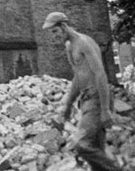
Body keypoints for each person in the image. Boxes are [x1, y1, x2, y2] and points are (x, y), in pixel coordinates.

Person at [43, 11, 122, 171]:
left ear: (64, 26)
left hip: (97, 99)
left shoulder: (83, 43)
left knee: (82, 144)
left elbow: (100, 74)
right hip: (86, 100)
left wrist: (105, 109)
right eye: (52, 33)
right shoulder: (69, 46)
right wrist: (68, 106)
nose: (54, 36)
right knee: (95, 149)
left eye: (55, 31)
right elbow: (78, 78)